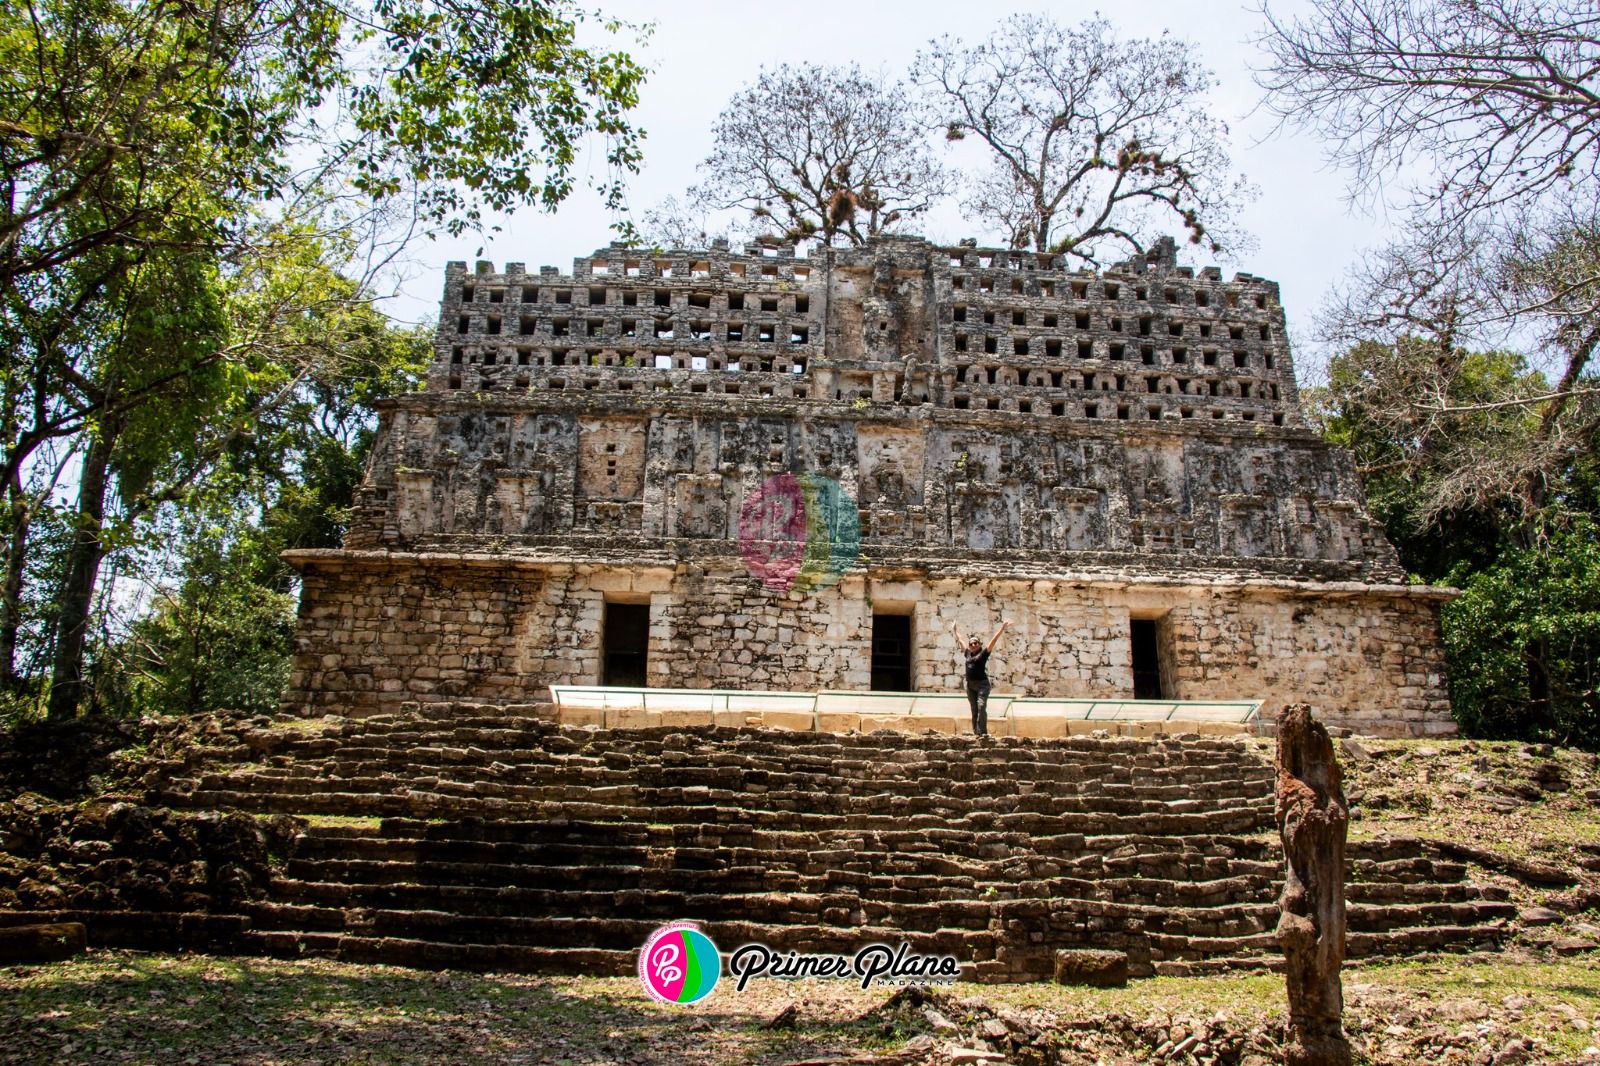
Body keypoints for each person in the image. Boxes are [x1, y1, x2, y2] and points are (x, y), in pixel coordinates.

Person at [951, 618, 1011, 738]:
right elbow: (960, 640)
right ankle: (976, 732)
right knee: (974, 709)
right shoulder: (967, 653)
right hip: (970, 685)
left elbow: (993, 641)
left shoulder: (983, 654)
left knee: (981, 706)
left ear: (979, 645)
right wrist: (955, 629)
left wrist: (1002, 629)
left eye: (976, 643)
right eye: (971, 643)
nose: (973, 645)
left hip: (982, 684)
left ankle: (982, 732)